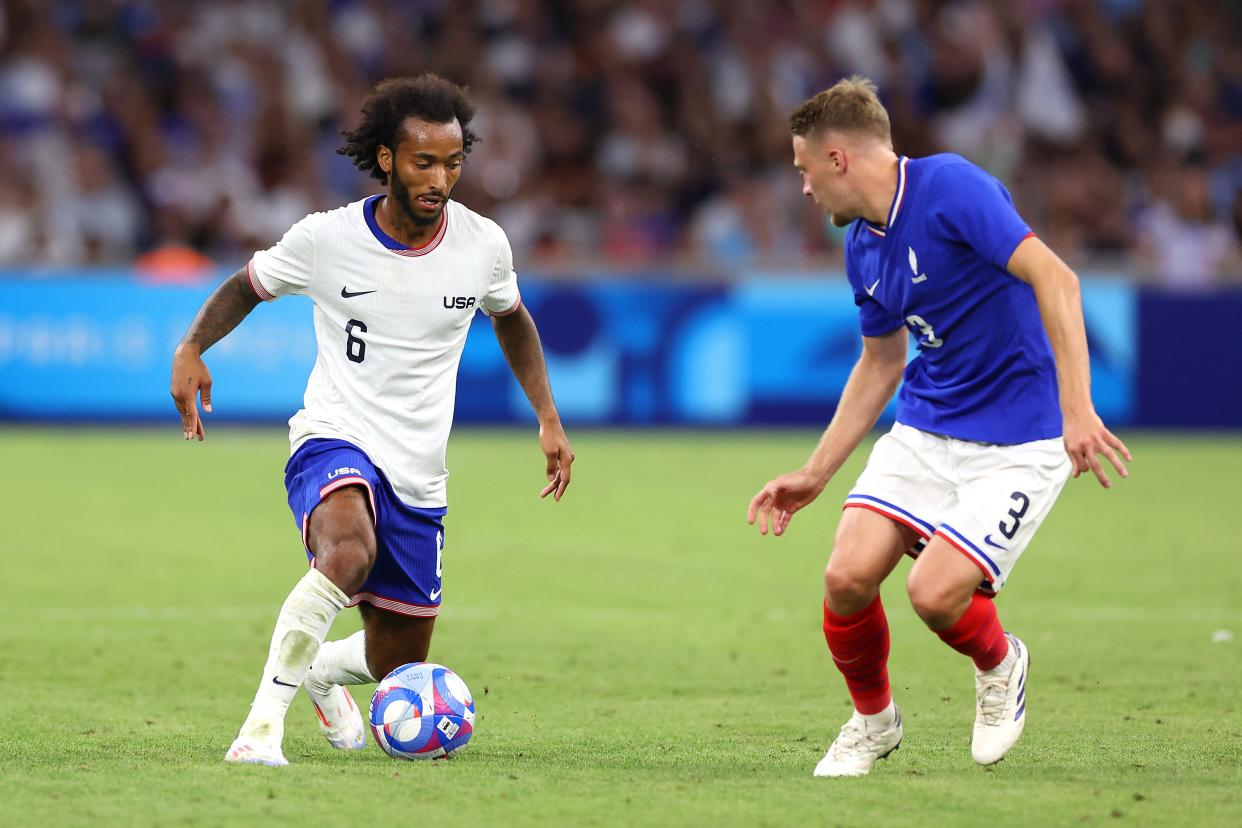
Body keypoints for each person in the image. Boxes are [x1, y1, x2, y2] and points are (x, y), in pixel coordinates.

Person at [170, 74, 574, 766]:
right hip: (336, 435)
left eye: (453, 163)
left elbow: (512, 319)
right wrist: (192, 346)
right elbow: (249, 286)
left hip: (420, 470)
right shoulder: (326, 239)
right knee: (347, 553)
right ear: (387, 158)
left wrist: (548, 416)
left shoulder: (482, 245)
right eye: (424, 161)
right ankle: (260, 731)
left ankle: (322, 673)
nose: (440, 179)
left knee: (398, 662)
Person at [746, 77, 1130, 778]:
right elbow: (881, 361)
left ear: (838, 159)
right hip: (928, 428)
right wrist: (814, 473)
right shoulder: (862, 246)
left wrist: (1078, 409)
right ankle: (874, 723)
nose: (803, 189)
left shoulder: (951, 186)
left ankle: (1001, 660)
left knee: (935, 594)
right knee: (846, 575)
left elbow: (1058, 279)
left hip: (1021, 436)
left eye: (804, 171)